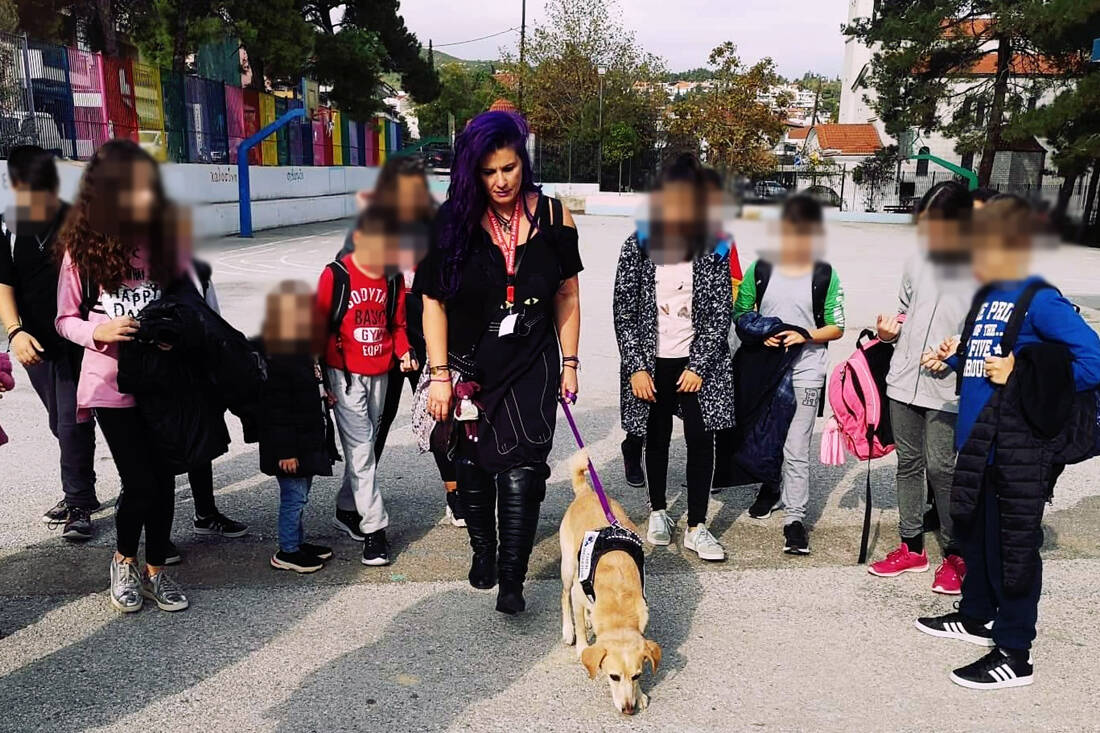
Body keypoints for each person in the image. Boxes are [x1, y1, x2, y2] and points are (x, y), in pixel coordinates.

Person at [915, 195, 1100, 689]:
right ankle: (976, 615)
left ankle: (1015, 652)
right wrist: (955, 358)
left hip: (1016, 448)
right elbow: (987, 361)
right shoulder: (988, 295)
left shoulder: (1040, 298)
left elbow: (1093, 362)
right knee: (975, 536)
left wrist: (1021, 372)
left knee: (1013, 550)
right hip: (979, 443)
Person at [414, 110, 582, 615]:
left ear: (522, 163)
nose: (501, 181)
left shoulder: (554, 217)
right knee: (472, 461)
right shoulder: (452, 221)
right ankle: (483, 548)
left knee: (525, 466)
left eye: (509, 168)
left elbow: (567, 293)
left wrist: (570, 362)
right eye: (488, 172)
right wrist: (440, 375)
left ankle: (513, 577)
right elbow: (432, 301)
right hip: (470, 363)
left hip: (532, 358)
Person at [54, 140, 188, 613]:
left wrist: (173, 334)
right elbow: (63, 320)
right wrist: (100, 331)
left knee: (165, 479)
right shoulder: (81, 250)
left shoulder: (164, 242)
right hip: (110, 383)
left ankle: (156, 569)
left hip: (161, 380)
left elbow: (186, 307)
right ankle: (124, 560)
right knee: (141, 481)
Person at [614, 154, 733, 561]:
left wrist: (699, 365)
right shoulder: (638, 245)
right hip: (652, 362)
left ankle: (698, 526)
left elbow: (720, 310)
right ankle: (659, 510)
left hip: (697, 362)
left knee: (701, 437)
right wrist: (636, 367)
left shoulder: (713, 246)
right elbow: (624, 309)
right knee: (656, 434)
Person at [333, 156, 463, 527]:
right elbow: (345, 281)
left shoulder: (438, 228)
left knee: (440, 412)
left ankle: (456, 494)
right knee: (375, 422)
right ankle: (352, 503)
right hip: (381, 336)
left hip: (425, 332)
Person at [868, 181, 976, 592]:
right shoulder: (916, 261)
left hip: (947, 386)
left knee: (943, 468)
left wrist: (957, 351)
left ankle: (956, 553)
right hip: (903, 380)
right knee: (908, 464)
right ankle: (911, 546)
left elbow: (985, 329)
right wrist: (889, 332)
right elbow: (904, 311)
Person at [734, 195, 845, 555]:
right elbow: (741, 312)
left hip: (807, 370)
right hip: (767, 370)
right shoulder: (761, 268)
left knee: (796, 446)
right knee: (765, 435)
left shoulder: (824, 274)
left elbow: (837, 326)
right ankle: (770, 487)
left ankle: (795, 518)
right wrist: (760, 333)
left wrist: (806, 335)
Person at [0, 145, 100, 540]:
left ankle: (79, 502)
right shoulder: (9, 228)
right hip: (36, 345)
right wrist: (15, 331)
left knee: (73, 421)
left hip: (79, 340)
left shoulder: (77, 221)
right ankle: (84, 489)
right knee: (61, 424)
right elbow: (4, 284)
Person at [318, 206, 414, 566]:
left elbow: (397, 326)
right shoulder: (336, 275)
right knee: (361, 450)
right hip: (344, 376)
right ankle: (375, 529)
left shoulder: (393, 279)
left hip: (381, 374)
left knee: (367, 447)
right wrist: (319, 377)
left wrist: (404, 352)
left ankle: (346, 507)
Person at [250, 281, 336, 573]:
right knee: (294, 498)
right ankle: (287, 550)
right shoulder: (280, 357)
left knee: (300, 495)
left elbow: (308, 386)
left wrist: (324, 393)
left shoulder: (303, 349)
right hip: (290, 446)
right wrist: (286, 451)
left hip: (306, 440)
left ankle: (297, 543)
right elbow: (277, 410)